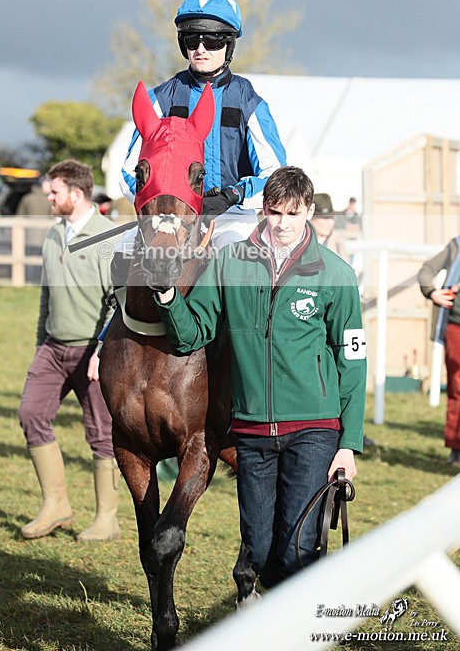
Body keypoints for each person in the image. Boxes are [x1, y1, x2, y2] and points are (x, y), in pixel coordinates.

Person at [154, 166, 366, 589]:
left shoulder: (335, 273)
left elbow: (353, 360)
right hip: (251, 431)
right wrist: (168, 297)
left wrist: (349, 445)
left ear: (308, 210)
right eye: (274, 212)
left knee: (299, 549)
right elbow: (194, 332)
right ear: (262, 211)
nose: (283, 223)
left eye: (292, 213)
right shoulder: (231, 262)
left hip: (314, 428)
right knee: (259, 549)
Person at [119, 0, 287, 255]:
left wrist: (233, 195)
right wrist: (165, 204)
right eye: (191, 40)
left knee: (236, 256)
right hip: (169, 216)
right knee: (120, 249)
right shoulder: (160, 99)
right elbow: (128, 173)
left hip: (230, 217)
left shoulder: (248, 101)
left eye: (212, 40)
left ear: (229, 43)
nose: (200, 49)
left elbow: (275, 175)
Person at [18, 159, 121, 541]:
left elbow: (118, 301)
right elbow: (47, 295)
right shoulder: (51, 234)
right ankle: (56, 505)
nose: (48, 197)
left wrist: (101, 351)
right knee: (30, 413)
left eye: (54, 192)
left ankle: (107, 519)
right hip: (52, 347)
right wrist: (39, 345)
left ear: (75, 195)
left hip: (92, 353)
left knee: (101, 433)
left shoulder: (109, 237)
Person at [418, 236, 460, 465]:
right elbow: (426, 270)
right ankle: (456, 448)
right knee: (457, 385)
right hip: (456, 326)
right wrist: (432, 292)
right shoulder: (456, 246)